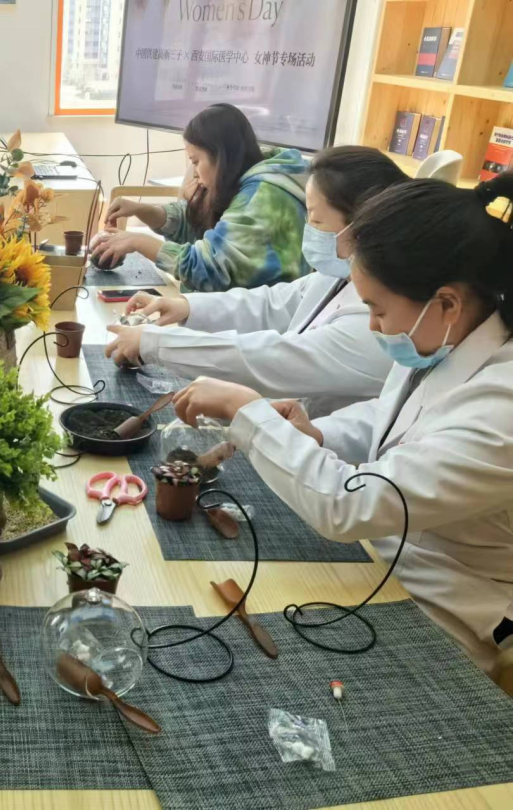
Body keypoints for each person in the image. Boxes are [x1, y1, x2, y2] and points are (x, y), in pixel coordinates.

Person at [170, 174, 513, 676]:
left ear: (447, 304)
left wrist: (248, 411)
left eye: (377, 309)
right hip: (382, 563)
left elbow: (350, 507)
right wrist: (320, 434)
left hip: (450, 614)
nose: (372, 325)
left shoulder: (503, 406)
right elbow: (392, 419)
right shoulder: (446, 342)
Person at [103, 147, 408, 417]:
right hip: (293, 429)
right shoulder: (340, 274)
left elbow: (275, 358)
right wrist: (186, 307)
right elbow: (272, 303)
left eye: (316, 220)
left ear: (361, 227)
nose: (308, 229)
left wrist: (157, 343)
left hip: (319, 445)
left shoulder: (379, 316)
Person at [92, 103, 308, 291]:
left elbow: (208, 269)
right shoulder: (245, 179)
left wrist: (138, 241)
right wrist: (143, 210)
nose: (194, 173)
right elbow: (197, 221)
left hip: (258, 321)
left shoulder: (263, 199)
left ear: (221, 156)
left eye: (196, 161)